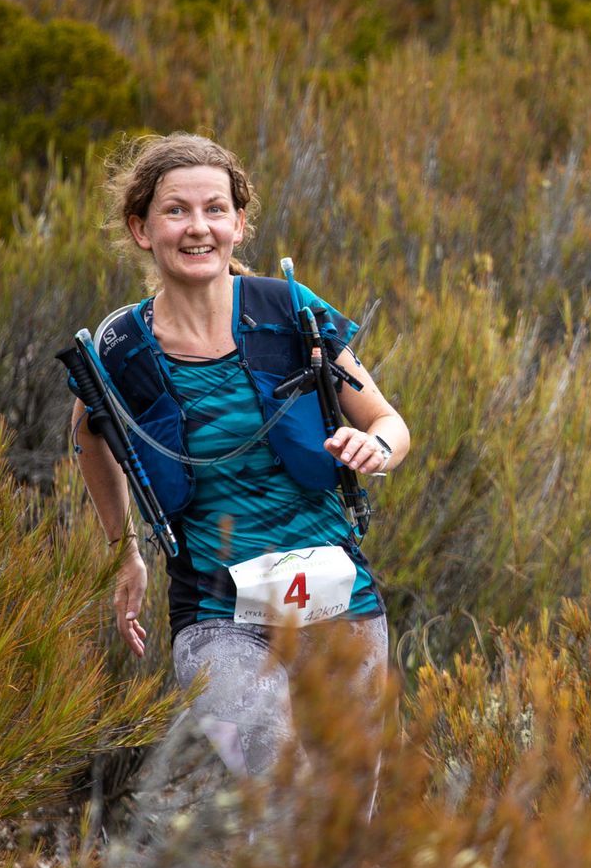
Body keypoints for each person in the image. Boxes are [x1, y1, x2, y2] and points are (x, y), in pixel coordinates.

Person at [70, 132, 409, 779]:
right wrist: (124, 551)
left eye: (214, 209)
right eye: (176, 211)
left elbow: (389, 422)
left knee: (346, 808)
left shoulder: (289, 314)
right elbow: (88, 432)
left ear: (240, 223)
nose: (198, 228)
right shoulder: (120, 347)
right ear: (141, 229)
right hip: (215, 617)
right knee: (275, 780)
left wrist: (377, 447)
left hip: (342, 601)